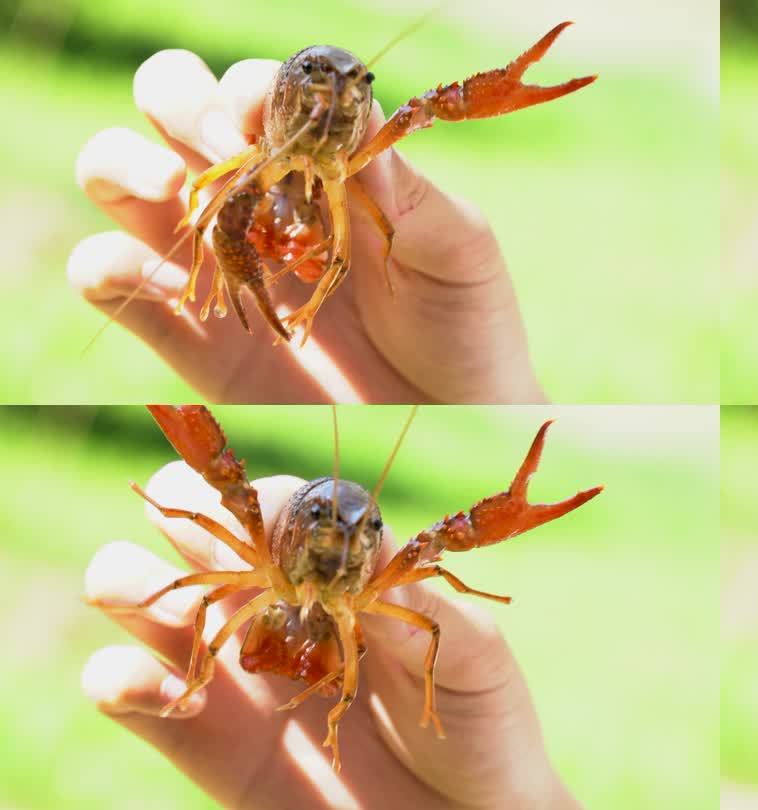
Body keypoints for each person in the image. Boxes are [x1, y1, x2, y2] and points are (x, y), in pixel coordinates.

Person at [82, 462, 579, 809]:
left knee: (421, 623)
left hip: (335, 635)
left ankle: (332, 719)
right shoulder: (270, 555)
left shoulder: (380, 592)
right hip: (280, 605)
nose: (340, 544)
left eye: (362, 532)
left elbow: (435, 589)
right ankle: (207, 681)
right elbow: (197, 520)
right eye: (326, 525)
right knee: (204, 600)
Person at [71, 50, 544, 403]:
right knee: (218, 207)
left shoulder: (375, 207)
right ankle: (214, 279)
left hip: (329, 188)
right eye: (316, 85)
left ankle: (304, 308)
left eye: (352, 86)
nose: (332, 98)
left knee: (336, 253)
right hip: (271, 161)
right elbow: (203, 200)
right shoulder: (257, 141)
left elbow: (355, 246)